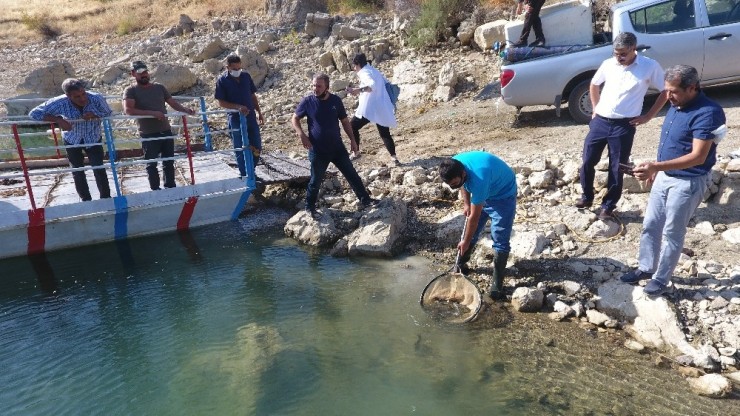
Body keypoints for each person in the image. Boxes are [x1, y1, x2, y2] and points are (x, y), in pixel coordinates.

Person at [620, 65, 726, 297]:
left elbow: (697, 156)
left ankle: (661, 279)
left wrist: (656, 167)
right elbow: (672, 142)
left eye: (673, 92)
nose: (667, 97)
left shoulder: (708, 112)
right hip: (665, 176)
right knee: (650, 225)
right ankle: (646, 268)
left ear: (691, 88)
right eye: (666, 91)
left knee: (672, 233)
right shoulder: (677, 104)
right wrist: (659, 170)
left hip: (687, 183)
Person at [576, 32, 667, 220]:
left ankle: (608, 206)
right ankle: (586, 197)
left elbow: (665, 91)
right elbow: (594, 84)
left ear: (634, 49)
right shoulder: (608, 64)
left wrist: (648, 116)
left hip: (625, 124)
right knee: (587, 161)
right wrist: (595, 109)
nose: (619, 57)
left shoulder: (649, 66)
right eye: (616, 53)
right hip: (600, 121)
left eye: (623, 53)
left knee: (617, 166)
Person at [291, 73, 379, 219]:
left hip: (337, 148)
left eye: (319, 86)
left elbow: (345, 122)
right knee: (315, 180)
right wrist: (301, 134)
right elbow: (294, 119)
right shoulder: (307, 101)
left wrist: (353, 140)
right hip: (318, 150)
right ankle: (309, 208)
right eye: (313, 85)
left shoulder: (336, 101)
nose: (315, 88)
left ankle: (366, 200)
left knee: (352, 174)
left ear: (327, 87)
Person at [438, 151, 517, 300]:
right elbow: (464, 184)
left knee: (499, 236)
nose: (454, 187)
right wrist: (466, 203)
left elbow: (474, 218)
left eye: (455, 184)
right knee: (471, 232)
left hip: (502, 194)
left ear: (462, 173)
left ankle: (497, 285)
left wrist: (466, 241)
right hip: (485, 187)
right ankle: (461, 265)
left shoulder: (479, 179)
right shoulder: (453, 164)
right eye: (451, 186)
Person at [29, 78, 112, 202]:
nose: (82, 98)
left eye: (83, 93)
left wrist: (95, 115)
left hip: (93, 137)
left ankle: (106, 199)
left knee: (98, 168)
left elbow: (109, 113)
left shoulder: (96, 98)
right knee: (77, 171)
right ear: (68, 96)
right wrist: (58, 120)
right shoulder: (59, 102)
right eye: (77, 96)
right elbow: (33, 114)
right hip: (72, 138)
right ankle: (86, 200)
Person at [123, 60, 195, 190]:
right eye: (140, 73)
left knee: (168, 161)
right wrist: (152, 113)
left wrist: (186, 110)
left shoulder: (159, 87)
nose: (144, 75)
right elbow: (128, 110)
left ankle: (170, 187)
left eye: (145, 72)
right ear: (133, 74)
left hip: (165, 130)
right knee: (151, 164)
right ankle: (155, 189)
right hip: (148, 133)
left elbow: (172, 103)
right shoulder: (131, 90)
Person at [214, 54, 264, 178]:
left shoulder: (246, 76)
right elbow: (221, 102)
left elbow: (252, 96)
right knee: (240, 147)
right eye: (235, 69)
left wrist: (259, 112)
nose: (237, 71)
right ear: (228, 67)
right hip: (235, 118)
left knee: (257, 145)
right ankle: (244, 174)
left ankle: (251, 169)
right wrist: (237, 107)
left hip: (251, 117)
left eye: (239, 68)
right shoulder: (222, 81)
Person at [345, 53, 400, 166]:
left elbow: (372, 85)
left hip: (370, 108)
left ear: (358, 64)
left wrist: (358, 90)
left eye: (354, 66)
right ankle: (394, 159)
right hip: (382, 106)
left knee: (352, 126)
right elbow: (385, 84)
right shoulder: (374, 70)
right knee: (384, 133)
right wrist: (360, 91)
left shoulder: (364, 72)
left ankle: (356, 153)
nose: (354, 69)